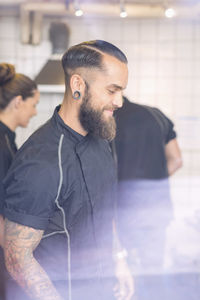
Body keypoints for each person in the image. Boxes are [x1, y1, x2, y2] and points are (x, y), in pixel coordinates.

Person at [2, 41, 133, 300]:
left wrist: (119, 260)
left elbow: (107, 212)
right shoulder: (40, 160)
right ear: (78, 86)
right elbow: (17, 255)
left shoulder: (102, 141)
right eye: (112, 90)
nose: (119, 101)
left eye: (121, 91)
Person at [113, 96, 182, 300]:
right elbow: (177, 160)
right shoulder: (156, 115)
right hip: (157, 213)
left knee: (126, 278)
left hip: (125, 215)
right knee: (153, 274)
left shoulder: (108, 120)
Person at [0, 63, 39, 300]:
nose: (34, 112)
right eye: (33, 105)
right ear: (18, 101)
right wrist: (15, 255)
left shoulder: (7, 139)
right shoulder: (1, 142)